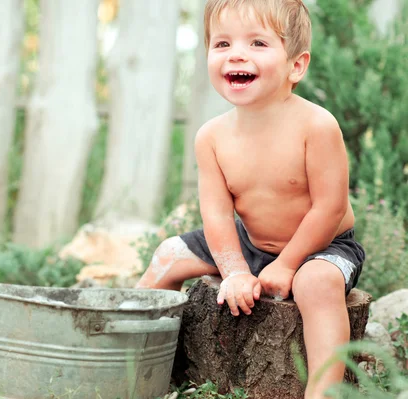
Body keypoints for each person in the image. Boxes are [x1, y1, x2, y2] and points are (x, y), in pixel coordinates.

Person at [135, 1, 366, 398]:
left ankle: (323, 391)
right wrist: (236, 271)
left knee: (316, 286)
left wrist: (290, 263)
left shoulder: (316, 126)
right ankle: (131, 358)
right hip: (249, 240)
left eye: (257, 42)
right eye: (222, 43)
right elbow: (217, 215)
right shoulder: (212, 137)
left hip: (322, 245)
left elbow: (330, 208)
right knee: (168, 256)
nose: (236, 54)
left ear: (296, 65)